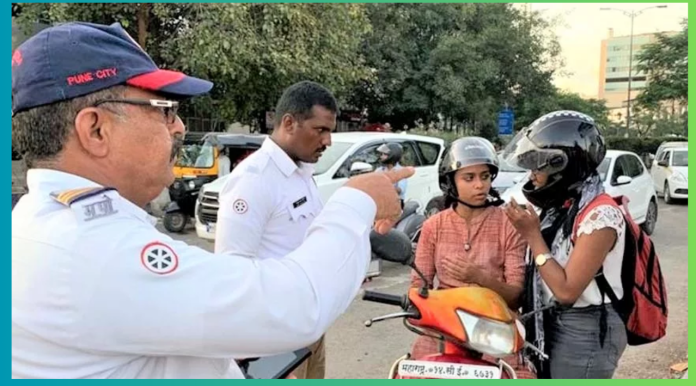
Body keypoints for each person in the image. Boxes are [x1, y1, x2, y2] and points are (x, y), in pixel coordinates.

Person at [11, 21, 413, 379]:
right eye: (165, 109)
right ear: (96, 129)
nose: (180, 126)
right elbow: (291, 306)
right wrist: (356, 202)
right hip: (270, 334)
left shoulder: (60, 224)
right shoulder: (89, 247)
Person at [214, 80, 337, 379]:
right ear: (289, 123)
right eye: (320, 130)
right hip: (273, 337)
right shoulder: (254, 180)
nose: (328, 141)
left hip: (309, 329)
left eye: (330, 131)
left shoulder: (302, 172)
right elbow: (233, 269)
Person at [502, 110, 628, 379]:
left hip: (587, 327)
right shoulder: (563, 206)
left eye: (539, 166)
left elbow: (567, 291)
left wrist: (533, 236)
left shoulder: (600, 216)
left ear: (564, 166)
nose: (532, 175)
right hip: (556, 320)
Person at [409, 137, 528, 373]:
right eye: (469, 178)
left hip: (494, 330)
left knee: (519, 375)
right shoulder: (434, 226)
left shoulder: (508, 224)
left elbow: (516, 297)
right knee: (412, 372)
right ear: (450, 182)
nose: (479, 186)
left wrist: (479, 277)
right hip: (442, 327)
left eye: (485, 177)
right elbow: (417, 287)